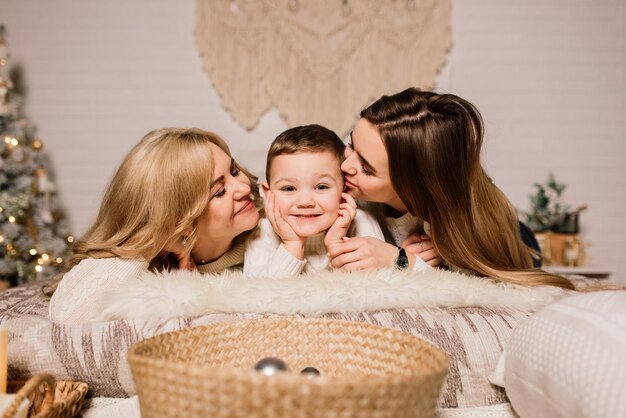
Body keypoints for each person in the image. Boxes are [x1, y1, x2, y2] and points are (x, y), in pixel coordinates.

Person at [329, 88, 574, 289]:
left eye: (367, 169)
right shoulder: (342, 190)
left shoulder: (464, 225)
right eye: (351, 144)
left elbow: (482, 291)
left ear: (412, 186)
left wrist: (399, 260)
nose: (346, 165)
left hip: (517, 238)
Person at [48, 127, 262, 324]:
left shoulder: (275, 234)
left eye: (234, 171)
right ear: (179, 219)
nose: (243, 187)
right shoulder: (152, 269)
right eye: (219, 191)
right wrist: (152, 241)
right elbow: (68, 316)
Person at [243, 124, 394, 278]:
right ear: (269, 194)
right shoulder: (264, 230)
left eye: (321, 187)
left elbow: (378, 287)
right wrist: (292, 245)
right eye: (289, 188)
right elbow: (257, 294)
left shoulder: (359, 221)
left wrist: (336, 245)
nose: (305, 202)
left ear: (344, 189)